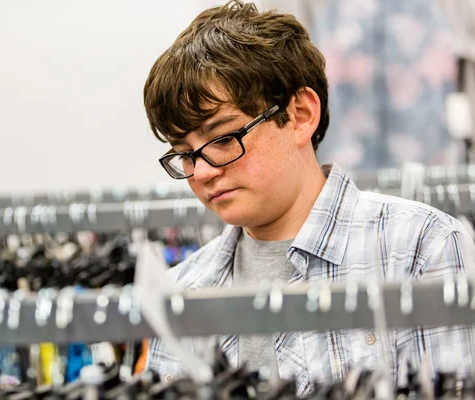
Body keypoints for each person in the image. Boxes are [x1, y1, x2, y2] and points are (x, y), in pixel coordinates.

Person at [142, 0, 475, 393]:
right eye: (184, 153)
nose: (201, 171)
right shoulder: (181, 291)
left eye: (223, 138)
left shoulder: (423, 248)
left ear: (300, 114)